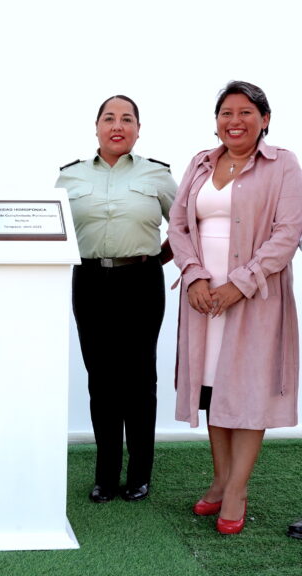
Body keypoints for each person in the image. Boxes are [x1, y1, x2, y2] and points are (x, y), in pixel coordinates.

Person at [168, 80, 302, 535]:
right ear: (216, 121)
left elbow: (287, 235)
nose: (235, 120)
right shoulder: (200, 163)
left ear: (265, 119)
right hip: (204, 298)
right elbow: (179, 226)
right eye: (226, 112)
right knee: (212, 390)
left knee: (247, 392)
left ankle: (238, 490)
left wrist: (238, 285)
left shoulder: (283, 164)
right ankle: (220, 479)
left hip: (255, 298)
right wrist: (195, 275)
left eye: (246, 112)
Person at [55, 95, 177, 504]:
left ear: (138, 130)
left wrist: (156, 258)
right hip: (89, 281)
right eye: (109, 118)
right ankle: (106, 475)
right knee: (101, 380)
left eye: (127, 119)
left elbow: (185, 226)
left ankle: (140, 474)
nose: (117, 125)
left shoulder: (157, 175)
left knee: (140, 379)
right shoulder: (69, 177)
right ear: (96, 127)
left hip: (141, 281)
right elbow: (51, 230)